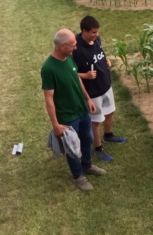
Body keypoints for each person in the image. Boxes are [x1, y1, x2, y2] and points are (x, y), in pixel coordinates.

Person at [42, 29, 104, 192]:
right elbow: (49, 99)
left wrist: (87, 99)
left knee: (88, 138)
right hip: (68, 116)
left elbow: (76, 78)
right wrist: (55, 125)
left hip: (81, 109)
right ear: (62, 46)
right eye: (72, 45)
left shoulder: (69, 58)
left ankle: (87, 165)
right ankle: (78, 176)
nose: (75, 48)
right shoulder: (48, 68)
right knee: (73, 148)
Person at [73, 16, 127, 163]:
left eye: (97, 32)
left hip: (105, 84)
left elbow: (98, 55)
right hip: (93, 91)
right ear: (84, 31)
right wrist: (85, 75)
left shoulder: (97, 40)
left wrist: (105, 61)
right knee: (95, 121)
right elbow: (70, 72)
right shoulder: (76, 49)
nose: (96, 35)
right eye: (93, 32)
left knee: (110, 111)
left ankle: (108, 135)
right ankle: (98, 149)